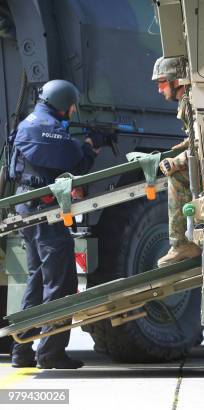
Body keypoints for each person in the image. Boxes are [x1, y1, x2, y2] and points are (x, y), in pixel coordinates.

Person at [9, 79, 103, 369]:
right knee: (60, 280)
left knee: (37, 279)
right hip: (45, 213)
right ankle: (50, 353)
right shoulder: (48, 129)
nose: (73, 112)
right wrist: (89, 148)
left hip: (27, 210)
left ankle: (21, 349)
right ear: (63, 104)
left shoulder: (31, 122)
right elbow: (74, 162)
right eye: (71, 106)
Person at [152, 56, 201, 267]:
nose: (159, 89)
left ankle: (181, 244)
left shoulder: (192, 102)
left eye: (162, 82)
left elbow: (203, 142)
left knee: (177, 178)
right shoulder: (189, 101)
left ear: (177, 81)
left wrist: (177, 162)